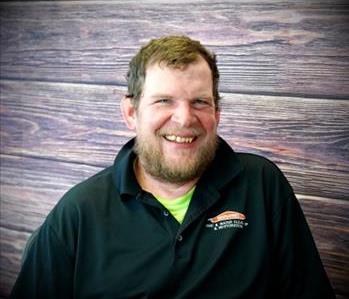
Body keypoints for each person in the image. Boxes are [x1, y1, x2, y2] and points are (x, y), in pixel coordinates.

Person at [10, 35, 335, 299]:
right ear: (131, 113)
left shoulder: (262, 185)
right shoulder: (78, 212)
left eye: (200, 102)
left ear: (217, 114)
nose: (184, 119)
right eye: (164, 100)